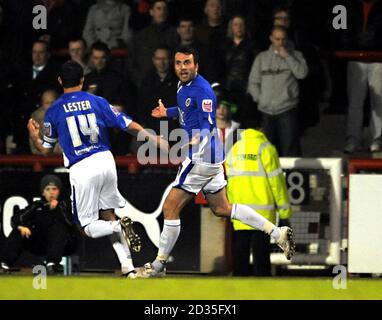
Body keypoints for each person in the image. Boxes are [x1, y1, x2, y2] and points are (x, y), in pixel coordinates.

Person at [136, 45, 295, 278]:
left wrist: (188, 142)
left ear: (196, 65)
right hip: (212, 157)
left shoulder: (203, 91)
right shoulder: (184, 86)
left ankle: (158, 266)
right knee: (222, 208)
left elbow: (205, 125)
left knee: (170, 207)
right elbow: (185, 110)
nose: (182, 67)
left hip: (200, 156)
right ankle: (276, 232)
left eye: (187, 63)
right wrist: (167, 113)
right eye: (179, 63)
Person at [27, 60, 168, 278]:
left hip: (82, 166)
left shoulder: (54, 110)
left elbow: (45, 150)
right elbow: (127, 124)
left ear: (60, 81)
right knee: (108, 214)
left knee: (88, 227)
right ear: (82, 80)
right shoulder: (97, 101)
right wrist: (153, 138)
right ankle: (128, 268)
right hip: (105, 160)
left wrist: (35, 136)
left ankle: (119, 226)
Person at [225, 120, 293, 276]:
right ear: (260, 129)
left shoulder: (234, 150)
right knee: (261, 252)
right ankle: (262, 284)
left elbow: (230, 181)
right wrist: (284, 212)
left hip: (239, 209)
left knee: (240, 249)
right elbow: (277, 183)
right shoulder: (266, 148)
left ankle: (238, 284)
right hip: (262, 212)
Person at [247, 26, 308, 157]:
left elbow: (302, 73)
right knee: (266, 149)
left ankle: (291, 176)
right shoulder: (261, 58)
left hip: (287, 109)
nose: (280, 42)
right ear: (271, 39)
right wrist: (260, 99)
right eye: (277, 39)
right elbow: (253, 82)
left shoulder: (296, 55)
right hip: (266, 111)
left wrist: (287, 56)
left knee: (290, 148)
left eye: (283, 39)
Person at [0, 175, 79, 275]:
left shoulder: (65, 205)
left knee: (58, 227)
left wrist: (58, 209)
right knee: (19, 230)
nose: (51, 192)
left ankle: (52, 265)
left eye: (54, 189)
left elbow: (71, 224)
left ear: (58, 191)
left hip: (64, 245)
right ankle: (4, 264)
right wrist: (20, 227)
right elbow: (16, 219)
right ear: (43, 192)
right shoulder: (36, 206)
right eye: (48, 189)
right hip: (40, 244)